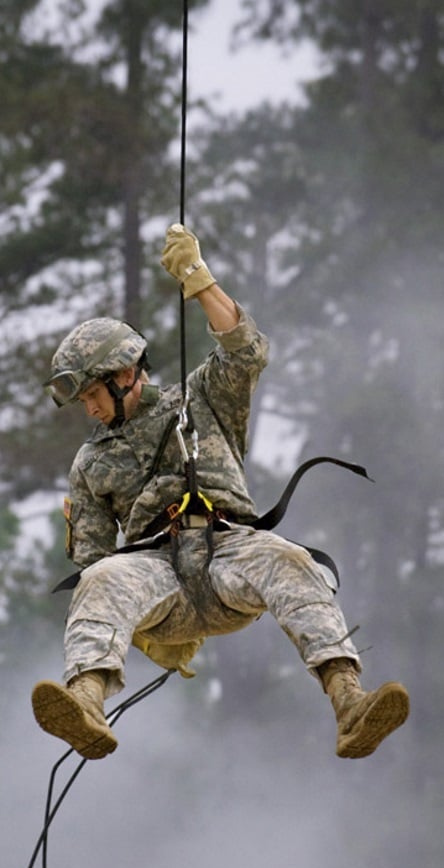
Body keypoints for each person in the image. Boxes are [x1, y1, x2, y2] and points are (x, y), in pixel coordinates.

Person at [31, 223, 409, 761]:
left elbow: (245, 352)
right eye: (83, 400)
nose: (89, 409)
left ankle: (350, 704)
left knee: (292, 560)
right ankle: (86, 703)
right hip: (157, 577)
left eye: (93, 393)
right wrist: (131, 613)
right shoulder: (91, 462)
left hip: (230, 554)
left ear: (126, 374)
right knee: (101, 577)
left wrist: (196, 276)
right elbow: (95, 561)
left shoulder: (201, 398)